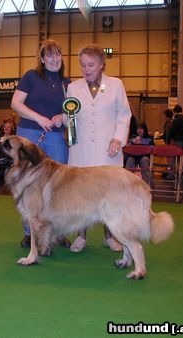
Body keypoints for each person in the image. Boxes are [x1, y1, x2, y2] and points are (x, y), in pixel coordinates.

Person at [66, 44, 131, 253]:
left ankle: (110, 236)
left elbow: (124, 115)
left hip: (107, 151)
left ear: (101, 64)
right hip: (81, 151)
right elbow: (71, 118)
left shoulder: (116, 85)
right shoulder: (73, 88)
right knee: (80, 195)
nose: (86, 69)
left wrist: (117, 139)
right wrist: (65, 124)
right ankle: (80, 236)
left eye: (91, 64)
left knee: (108, 196)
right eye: (83, 65)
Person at [10, 39, 70, 249]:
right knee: (28, 184)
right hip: (28, 134)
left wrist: (62, 116)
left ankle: (58, 231)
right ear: (42, 59)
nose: (55, 59)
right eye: (50, 55)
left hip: (55, 137)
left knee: (59, 186)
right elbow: (16, 104)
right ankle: (30, 233)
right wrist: (39, 118)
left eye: (58, 54)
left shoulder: (67, 82)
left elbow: (72, 110)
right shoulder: (31, 76)